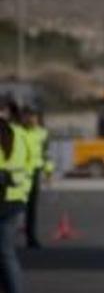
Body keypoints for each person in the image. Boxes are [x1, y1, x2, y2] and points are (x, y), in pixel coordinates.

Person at [0, 108, 32, 293]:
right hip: (16, 199)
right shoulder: (21, 134)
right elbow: (29, 164)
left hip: (3, 198)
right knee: (7, 255)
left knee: (5, 255)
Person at [19, 107, 50, 250]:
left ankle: (31, 238)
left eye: (33, 117)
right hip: (18, 173)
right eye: (27, 116)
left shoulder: (42, 134)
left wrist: (48, 171)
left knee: (31, 209)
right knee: (12, 209)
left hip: (34, 174)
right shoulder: (17, 132)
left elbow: (45, 154)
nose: (31, 119)